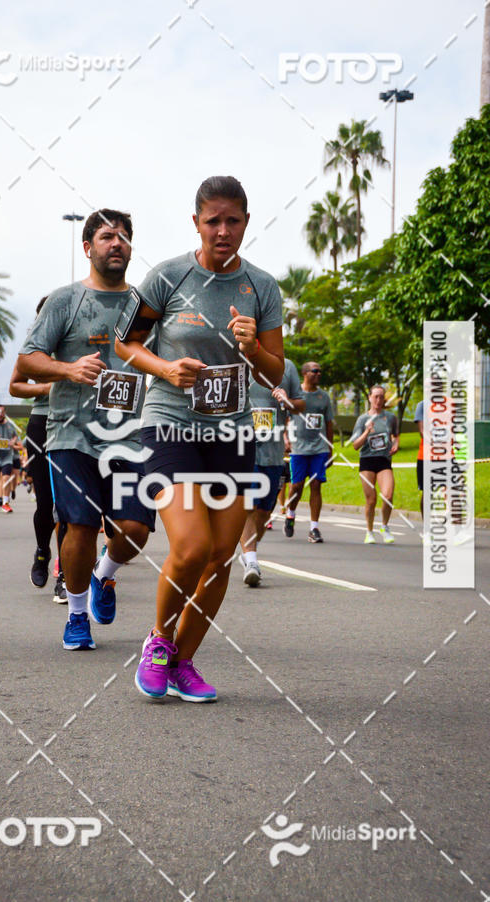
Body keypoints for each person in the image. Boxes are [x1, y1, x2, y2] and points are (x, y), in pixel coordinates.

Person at [115, 175, 284, 702]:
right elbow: (126, 345)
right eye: (213, 220)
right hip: (169, 425)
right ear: (196, 223)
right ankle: (159, 641)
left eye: (233, 220)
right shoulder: (167, 277)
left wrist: (253, 348)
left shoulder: (261, 287)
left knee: (219, 558)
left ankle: (184, 663)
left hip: (232, 434)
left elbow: (275, 374)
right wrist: (166, 369)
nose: (223, 230)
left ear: (246, 223)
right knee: (191, 547)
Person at [17, 208, 155, 650]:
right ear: (87, 248)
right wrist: (67, 369)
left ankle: (104, 575)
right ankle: (77, 617)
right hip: (71, 433)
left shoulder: (147, 305)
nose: (117, 244)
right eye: (107, 236)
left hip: (130, 436)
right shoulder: (64, 300)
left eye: (124, 237)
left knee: (135, 529)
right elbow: (28, 360)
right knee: (78, 525)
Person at [9, 296, 64, 594]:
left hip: (78, 424)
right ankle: (43, 552)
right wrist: (47, 388)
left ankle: (66, 575)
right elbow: (15, 386)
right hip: (42, 423)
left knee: (72, 506)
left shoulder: (82, 338)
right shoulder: (35, 345)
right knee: (47, 503)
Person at [239, 358, 304, 586]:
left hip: (273, 452)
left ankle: (248, 552)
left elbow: (301, 405)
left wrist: (288, 401)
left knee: (265, 510)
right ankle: (251, 559)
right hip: (241, 448)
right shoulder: (235, 361)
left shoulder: (286, 367)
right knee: (249, 505)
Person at [283, 362, 334, 543]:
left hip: (319, 447)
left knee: (316, 485)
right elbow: (284, 418)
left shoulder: (324, 397)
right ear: (305, 373)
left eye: (320, 371)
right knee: (296, 486)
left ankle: (314, 528)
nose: (318, 374)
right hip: (298, 448)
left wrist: (330, 448)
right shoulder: (296, 395)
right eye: (314, 371)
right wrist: (285, 439)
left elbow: (329, 423)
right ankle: (290, 515)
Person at [351, 385, 399, 544]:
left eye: (381, 397)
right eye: (376, 396)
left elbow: (396, 435)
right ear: (370, 398)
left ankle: (385, 527)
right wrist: (366, 432)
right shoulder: (363, 419)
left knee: (388, 495)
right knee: (371, 500)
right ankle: (369, 531)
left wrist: (396, 443)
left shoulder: (390, 417)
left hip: (384, 461)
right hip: (367, 461)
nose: (379, 400)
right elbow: (355, 445)